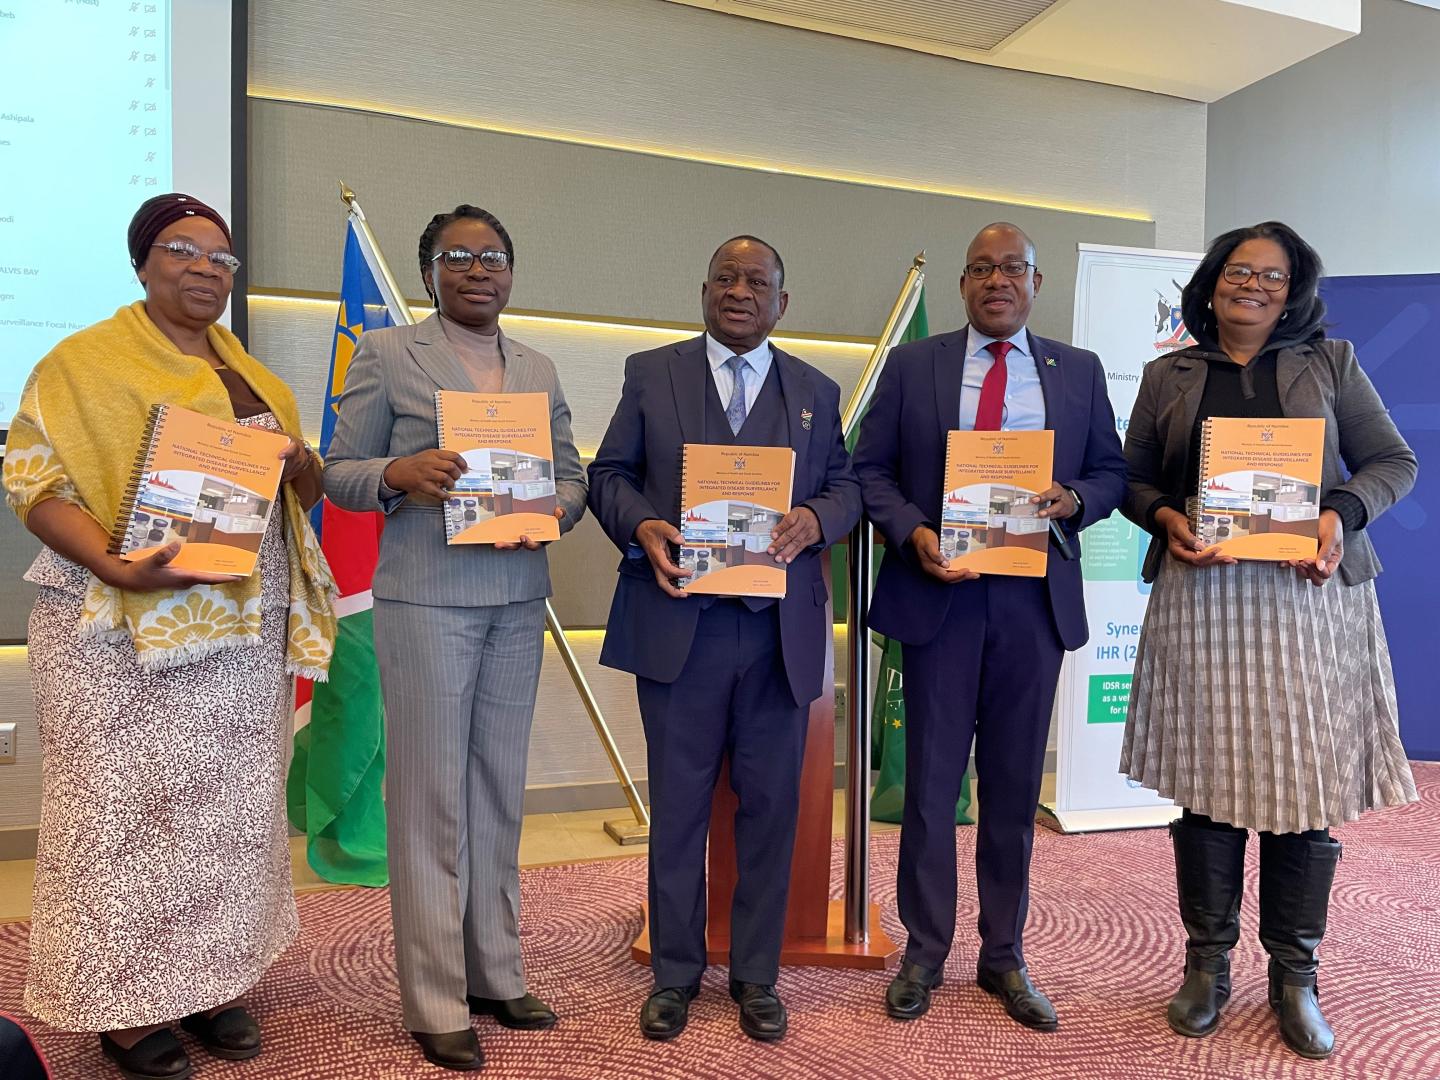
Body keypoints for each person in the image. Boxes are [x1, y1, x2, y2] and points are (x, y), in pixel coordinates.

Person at [1, 193, 336, 1080]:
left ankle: (212, 980)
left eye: (221, 258)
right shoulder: (80, 365)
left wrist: (303, 465)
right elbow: (34, 485)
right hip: (114, 628)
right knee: (123, 814)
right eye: (183, 250)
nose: (205, 269)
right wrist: (115, 564)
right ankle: (123, 1003)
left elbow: (295, 497)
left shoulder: (255, 376)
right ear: (143, 262)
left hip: (240, 634)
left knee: (224, 816)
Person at [1120, 221, 1417, 1060]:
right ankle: (1206, 966)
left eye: (1274, 277)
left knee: (1305, 790)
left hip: (1309, 600)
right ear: (1212, 283)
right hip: (1202, 597)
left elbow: (1392, 462)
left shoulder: (1333, 363)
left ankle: (1296, 974)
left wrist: (1338, 515)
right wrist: (1166, 515)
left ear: (1295, 291)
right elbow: (1135, 478)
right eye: (1240, 272)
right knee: (1209, 785)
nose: (1254, 286)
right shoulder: (1167, 374)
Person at [322, 204, 586, 1072]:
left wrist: (553, 509)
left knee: (498, 790)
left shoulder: (539, 366)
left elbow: (572, 476)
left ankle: (495, 971)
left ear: (513, 269)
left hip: (516, 595)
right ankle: (435, 997)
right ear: (429, 268)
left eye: (495, 255)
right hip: (426, 600)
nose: (480, 269)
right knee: (432, 799)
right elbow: (337, 473)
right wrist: (400, 473)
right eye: (459, 256)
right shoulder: (389, 354)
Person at [854, 222, 1126, 1031]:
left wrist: (1074, 498)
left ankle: (1003, 954)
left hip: (1033, 602)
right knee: (933, 791)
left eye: (1012, 268)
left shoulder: (1076, 372)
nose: (996, 280)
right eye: (981, 268)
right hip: (942, 595)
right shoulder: (914, 366)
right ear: (966, 284)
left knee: (1011, 791)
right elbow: (869, 471)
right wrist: (913, 534)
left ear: (1037, 284)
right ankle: (925, 951)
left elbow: (1111, 471)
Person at [588, 236, 860, 1043]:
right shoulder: (652, 372)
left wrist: (817, 518)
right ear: (703, 291)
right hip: (681, 629)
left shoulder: (815, 389)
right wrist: (643, 524)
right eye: (726, 278)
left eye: (758, 282)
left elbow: (846, 485)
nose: (740, 292)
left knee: (772, 810)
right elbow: (608, 476)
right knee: (677, 810)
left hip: (777, 634)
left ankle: (755, 974)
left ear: (783, 303)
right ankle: (675, 973)